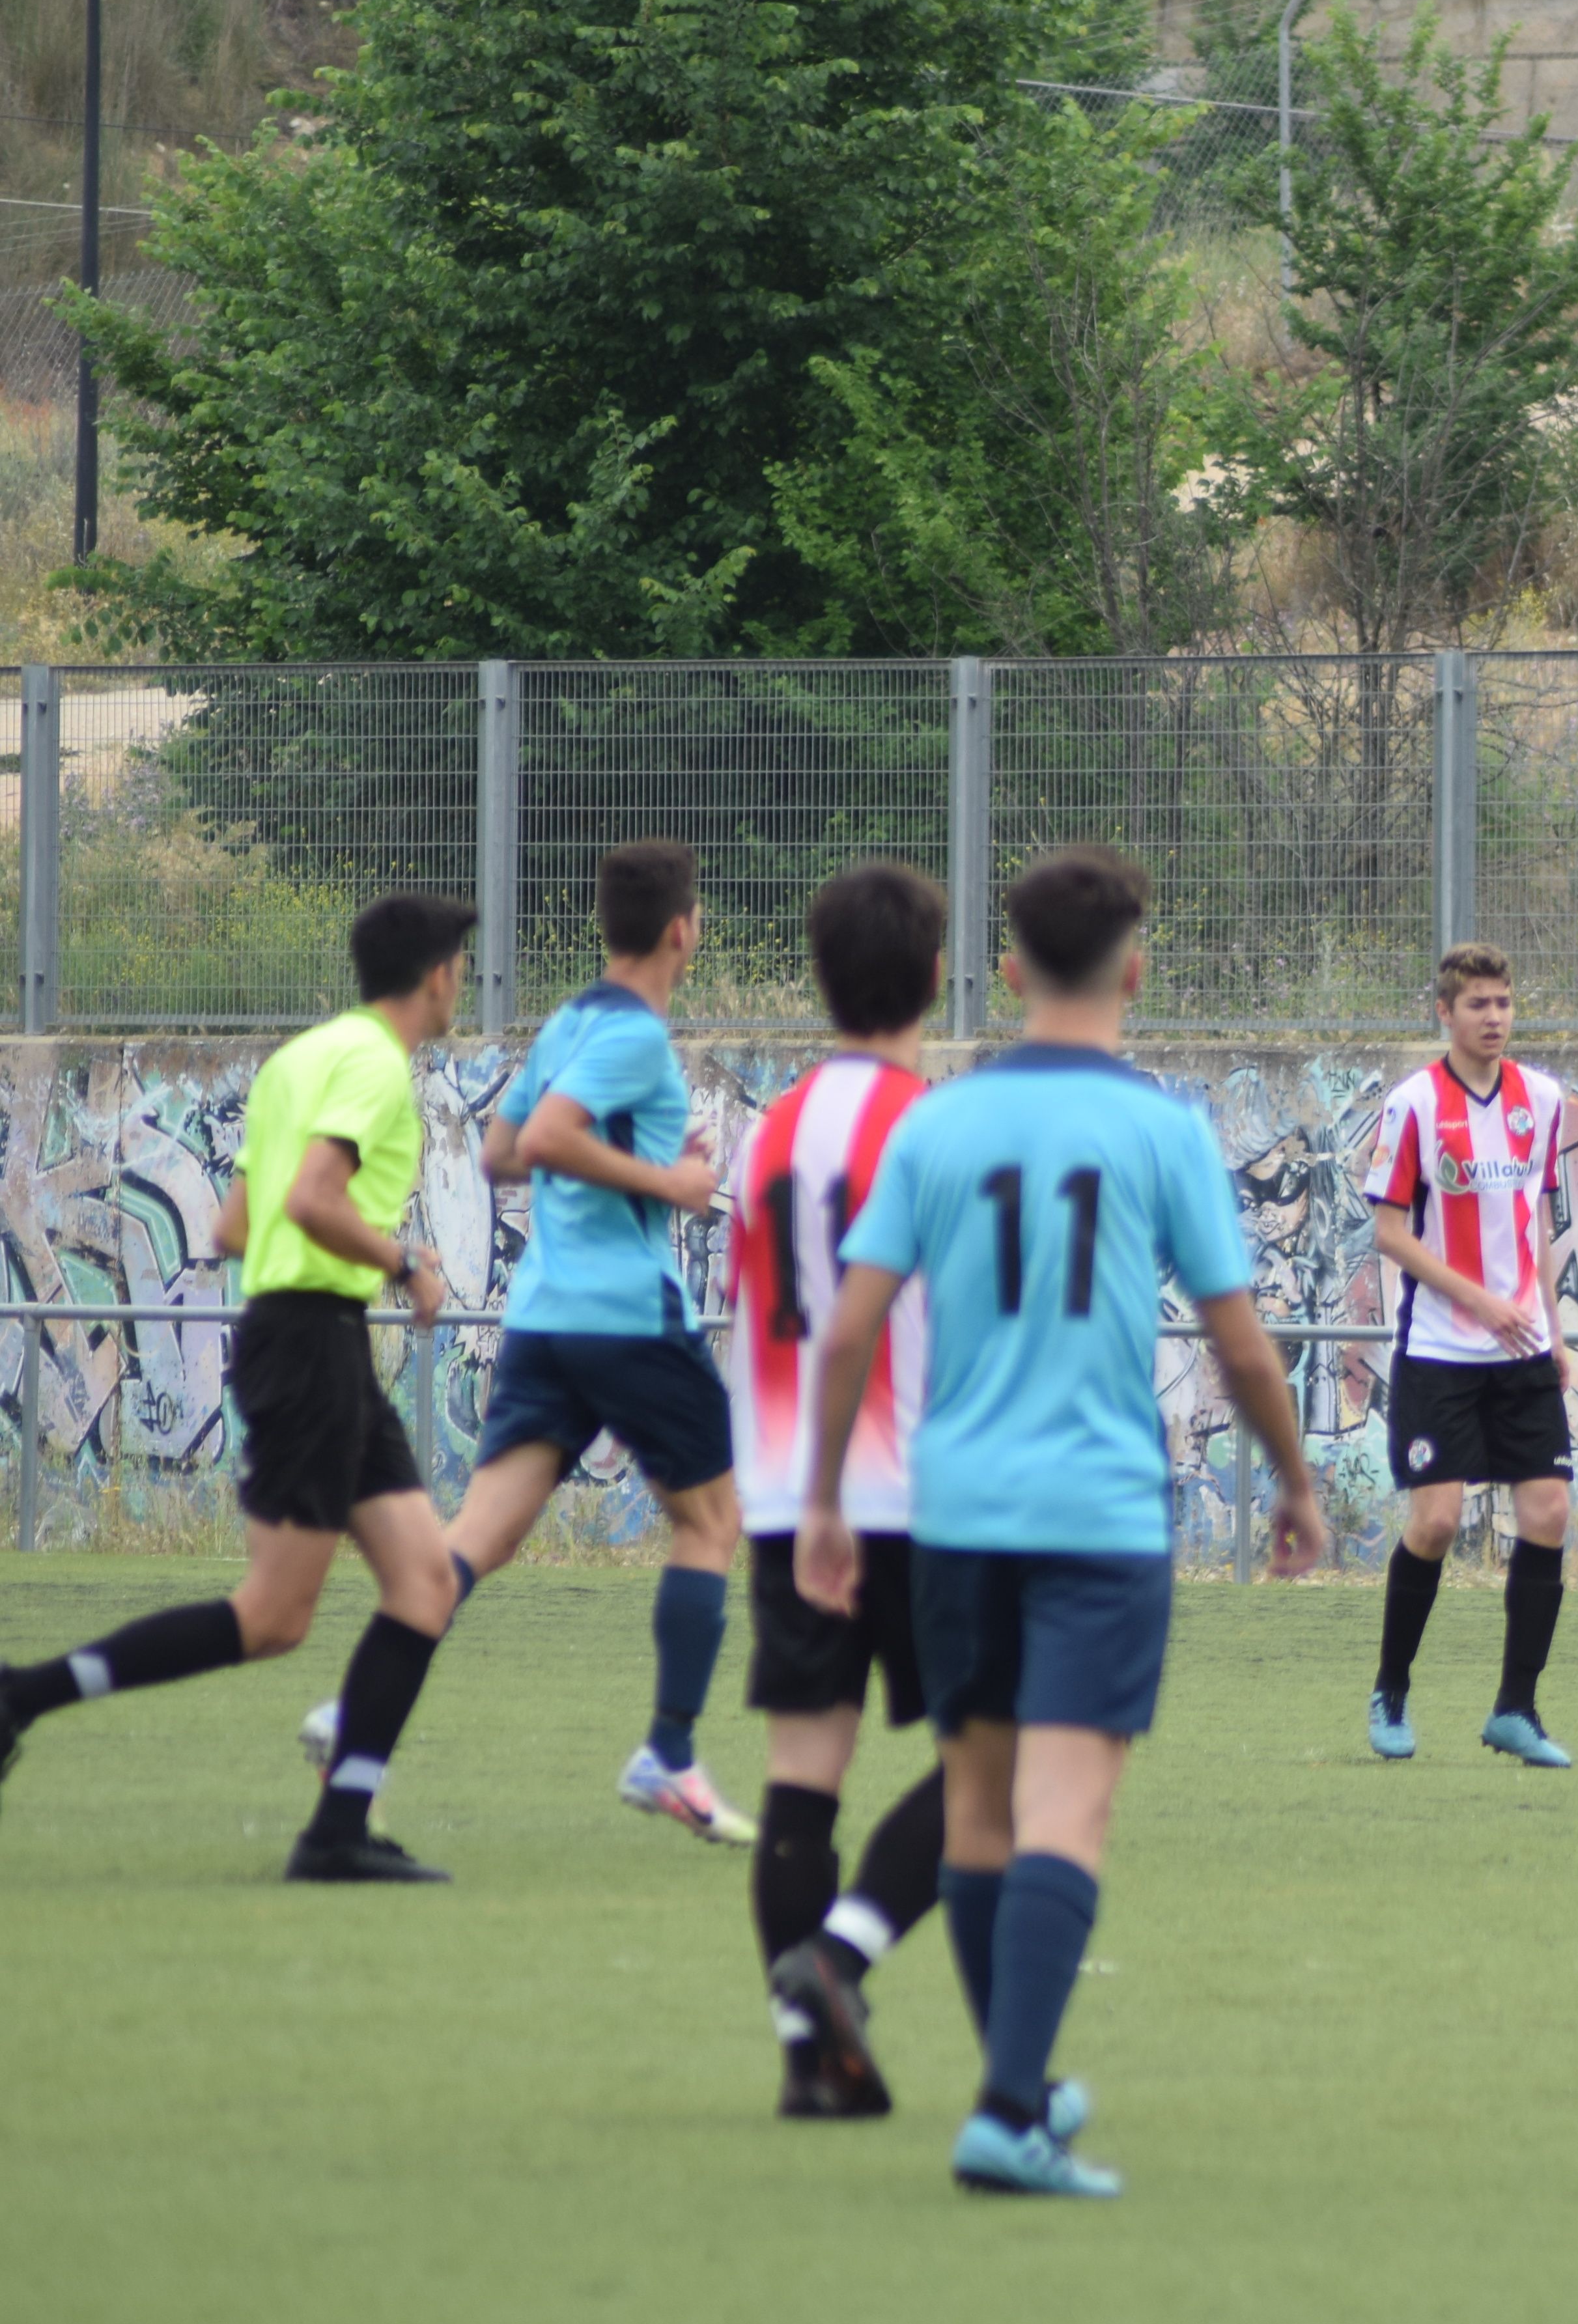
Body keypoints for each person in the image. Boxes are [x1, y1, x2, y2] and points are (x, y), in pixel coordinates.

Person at [803, 843, 1328, 2200]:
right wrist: (1293, 1480)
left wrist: (817, 1499)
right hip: (1096, 1517)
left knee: (978, 1810)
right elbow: (1243, 1345)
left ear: (1011, 968)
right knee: (1066, 1813)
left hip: (954, 1512)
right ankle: (1003, 2111)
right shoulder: (1160, 1128)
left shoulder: (935, 1121)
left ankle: (1022, 2092)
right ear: (1137, 967)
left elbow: (851, 1324)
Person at [0, 896, 476, 1883]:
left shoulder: (305, 1060)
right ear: (435, 975)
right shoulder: (380, 1067)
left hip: (307, 1340)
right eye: (461, 965)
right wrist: (407, 1261)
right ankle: (23, 1694)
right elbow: (310, 1200)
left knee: (425, 1581)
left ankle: (340, 1828)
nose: (463, 981)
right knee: (271, 1617)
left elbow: (232, 1224)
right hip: (311, 1342)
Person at [450, 838, 753, 1842]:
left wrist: (640, 1166)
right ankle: (668, 1754)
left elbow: (499, 1151)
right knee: (710, 1524)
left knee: (478, 1540)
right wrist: (672, 1185)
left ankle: (363, 1705)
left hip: (541, 1314)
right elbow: (538, 1145)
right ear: (683, 930)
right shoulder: (631, 1036)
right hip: (625, 1316)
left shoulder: (568, 1022)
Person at [727, 862, 955, 2118]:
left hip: (784, 1499)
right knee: (1010, 1756)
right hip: (914, 1496)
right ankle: (845, 1952)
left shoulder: (769, 1131)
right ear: (935, 978)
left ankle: (806, 2059)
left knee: (800, 1786)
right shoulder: (933, 1129)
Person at [1359, 942, 1578, 1768]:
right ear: (1443, 1014)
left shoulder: (1544, 1099)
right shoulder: (1413, 1103)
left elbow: (1536, 1228)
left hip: (1522, 1350)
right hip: (1442, 1349)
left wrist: (1553, 1327)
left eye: (1504, 1002)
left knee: (1550, 1515)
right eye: (1478, 1005)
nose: (1495, 1018)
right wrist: (1477, 1299)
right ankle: (1391, 1687)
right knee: (1438, 1521)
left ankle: (1516, 1707)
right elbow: (1389, 1233)